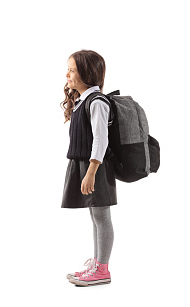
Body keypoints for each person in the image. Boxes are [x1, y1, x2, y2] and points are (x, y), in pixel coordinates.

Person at [60, 50, 116, 287]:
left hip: (97, 166)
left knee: (101, 216)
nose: (67, 75)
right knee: (95, 215)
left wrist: (91, 171)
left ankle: (102, 269)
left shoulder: (97, 102)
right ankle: (97, 264)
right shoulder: (83, 101)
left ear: (86, 73)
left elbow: (100, 140)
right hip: (86, 164)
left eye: (72, 70)